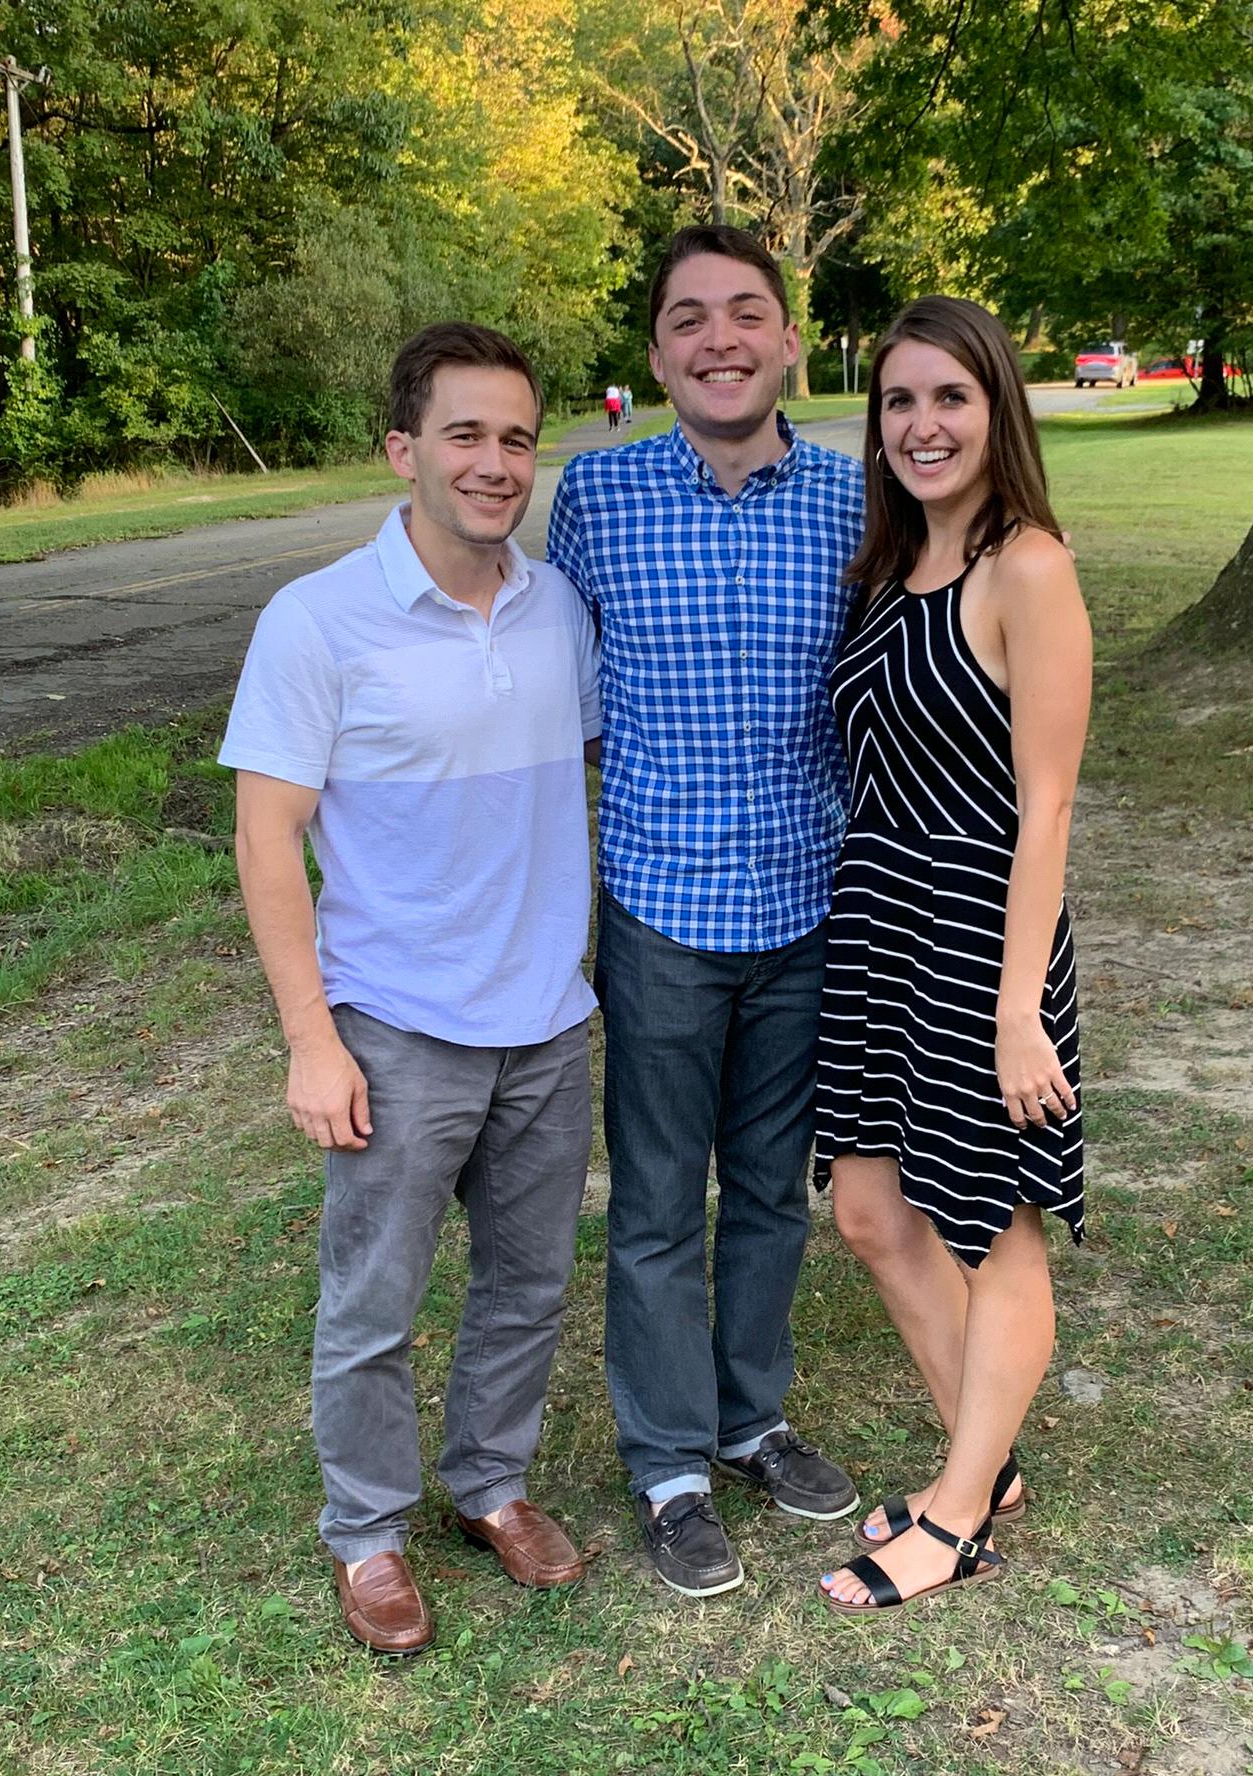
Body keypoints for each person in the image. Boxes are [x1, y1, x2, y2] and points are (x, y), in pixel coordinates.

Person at [221, 323, 602, 1659]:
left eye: (517, 438)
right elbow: (266, 836)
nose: (495, 463)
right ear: (403, 450)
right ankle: (368, 1533)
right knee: (373, 1302)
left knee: (527, 1281)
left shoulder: (559, 609)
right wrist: (309, 1039)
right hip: (395, 1027)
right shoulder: (317, 620)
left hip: (548, 1020)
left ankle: (490, 1483)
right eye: (465, 434)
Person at [547, 226, 862, 1598]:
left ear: (789, 339)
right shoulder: (597, 495)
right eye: (689, 318)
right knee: (662, 1198)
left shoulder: (855, 499)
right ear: (659, 354)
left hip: (807, 899)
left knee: (773, 1192)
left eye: (746, 313)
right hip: (662, 904)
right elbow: (560, 686)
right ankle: (670, 1463)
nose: (719, 338)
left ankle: (751, 1418)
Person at [815, 296, 1091, 1614]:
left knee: (991, 1226)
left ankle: (960, 1511)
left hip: (981, 934)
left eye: (950, 398)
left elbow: (1049, 803)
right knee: (870, 1210)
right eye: (900, 401)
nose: (923, 425)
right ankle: (986, 1461)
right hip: (880, 924)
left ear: (997, 411)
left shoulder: (1025, 566)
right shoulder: (887, 566)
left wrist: (1020, 1006)